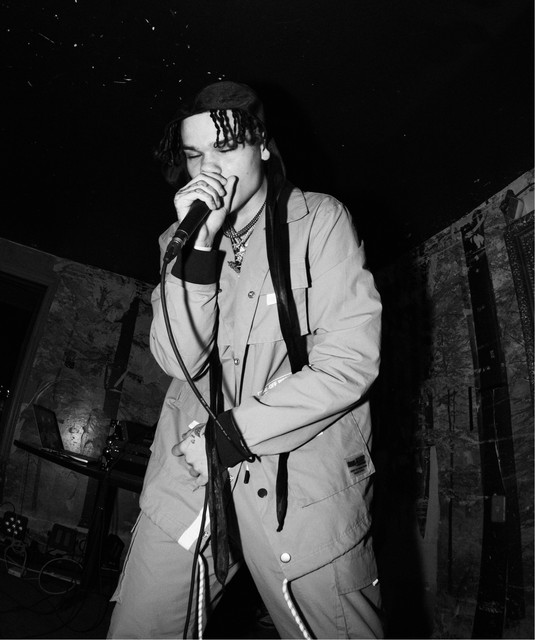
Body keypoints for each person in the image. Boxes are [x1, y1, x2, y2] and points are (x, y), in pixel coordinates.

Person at [107, 80, 383, 639]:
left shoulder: (319, 220)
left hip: (298, 476)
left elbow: (349, 362)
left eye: (225, 147)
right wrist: (199, 250)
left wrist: (229, 437)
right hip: (189, 475)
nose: (208, 168)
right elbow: (177, 358)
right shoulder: (178, 240)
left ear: (261, 145)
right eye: (194, 155)